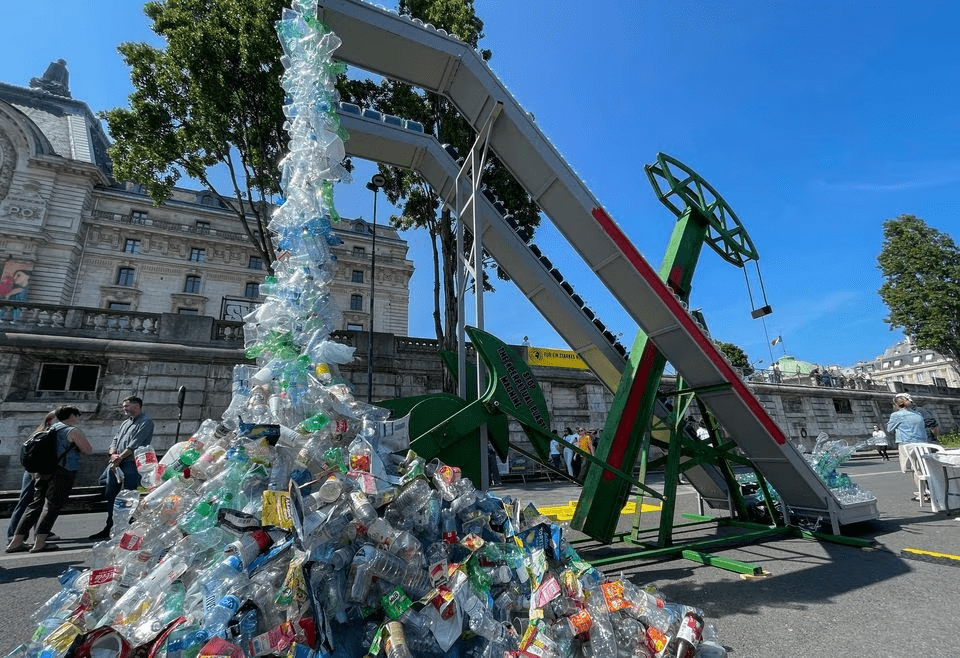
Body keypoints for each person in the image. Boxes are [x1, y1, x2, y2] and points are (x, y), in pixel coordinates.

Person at [6, 406, 92, 553]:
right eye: (77, 415)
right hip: (61, 472)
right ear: (71, 416)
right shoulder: (71, 430)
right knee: (51, 506)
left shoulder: (45, 430)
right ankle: (40, 542)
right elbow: (88, 450)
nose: (78, 419)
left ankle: (16, 541)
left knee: (35, 504)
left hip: (41, 472)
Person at [88, 395, 155, 540]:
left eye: (127, 406)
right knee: (111, 494)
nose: (124, 408)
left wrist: (119, 457)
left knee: (128, 496)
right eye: (124, 406)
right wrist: (113, 454)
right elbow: (115, 440)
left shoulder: (146, 422)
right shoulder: (125, 423)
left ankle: (126, 527)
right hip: (117, 464)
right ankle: (110, 526)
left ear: (136, 406)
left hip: (131, 463)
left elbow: (135, 444)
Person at [6, 411, 59, 542]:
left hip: (31, 471)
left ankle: (39, 532)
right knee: (28, 503)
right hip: (38, 472)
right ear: (50, 421)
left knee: (35, 502)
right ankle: (14, 535)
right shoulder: (47, 435)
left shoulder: (40, 433)